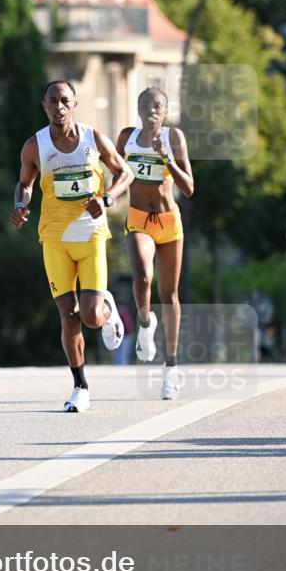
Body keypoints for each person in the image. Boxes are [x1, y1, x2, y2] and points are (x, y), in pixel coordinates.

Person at [11, 79, 133, 412]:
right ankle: (80, 386)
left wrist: (106, 198)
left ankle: (108, 313)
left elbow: (125, 173)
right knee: (68, 317)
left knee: (91, 317)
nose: (59, 107)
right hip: (53, 239)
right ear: (44, 106)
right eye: (53, 101)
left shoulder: (94, 139)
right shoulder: (34, 146)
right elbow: (24, 185)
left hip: (91, 235)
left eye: (65, 101)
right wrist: (20, 205)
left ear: (74, 104)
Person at [116, 87, 194, 399]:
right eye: (145, 104)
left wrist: (167, 159)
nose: (151, 109)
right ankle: (145, 323)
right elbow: (115, 172)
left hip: (169, 222)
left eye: (157, 105)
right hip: (138, 218)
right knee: (142, 277)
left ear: (165, 110)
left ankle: (171, 368)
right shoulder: (126, 138)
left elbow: (188, 187)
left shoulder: (174, 138)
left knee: (169, 294)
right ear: (138, 109)